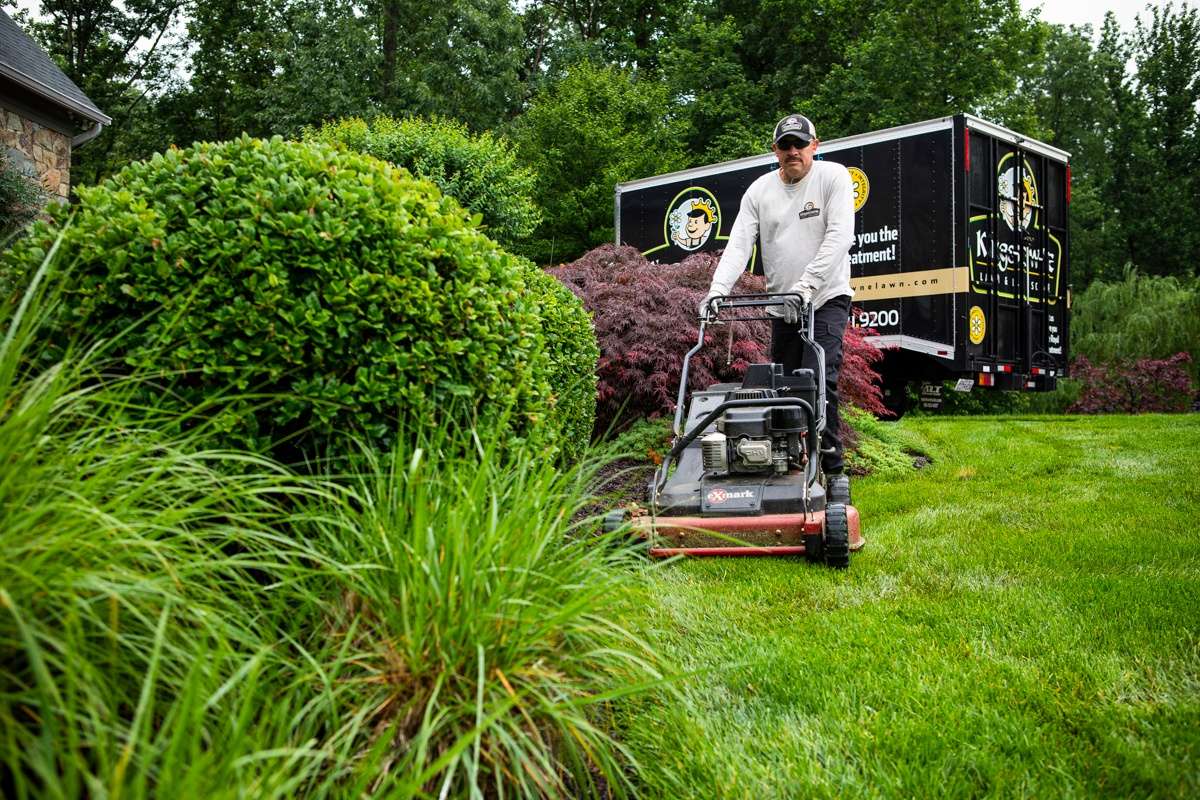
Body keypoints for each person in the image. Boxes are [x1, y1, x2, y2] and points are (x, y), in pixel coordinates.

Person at [700, 113, 854, 476]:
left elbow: (839, 238)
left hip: (826, 298)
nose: (793, 151)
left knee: (819, 379)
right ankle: (787, 461)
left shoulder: (833, 178)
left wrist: (806, 287)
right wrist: (717, 292)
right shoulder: (759, 191)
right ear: (775, 150)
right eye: (785, 145)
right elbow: (738, 245)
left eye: (800, 144)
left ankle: (831, 469)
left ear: (815, 145)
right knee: (782, 384)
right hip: (781, 305)